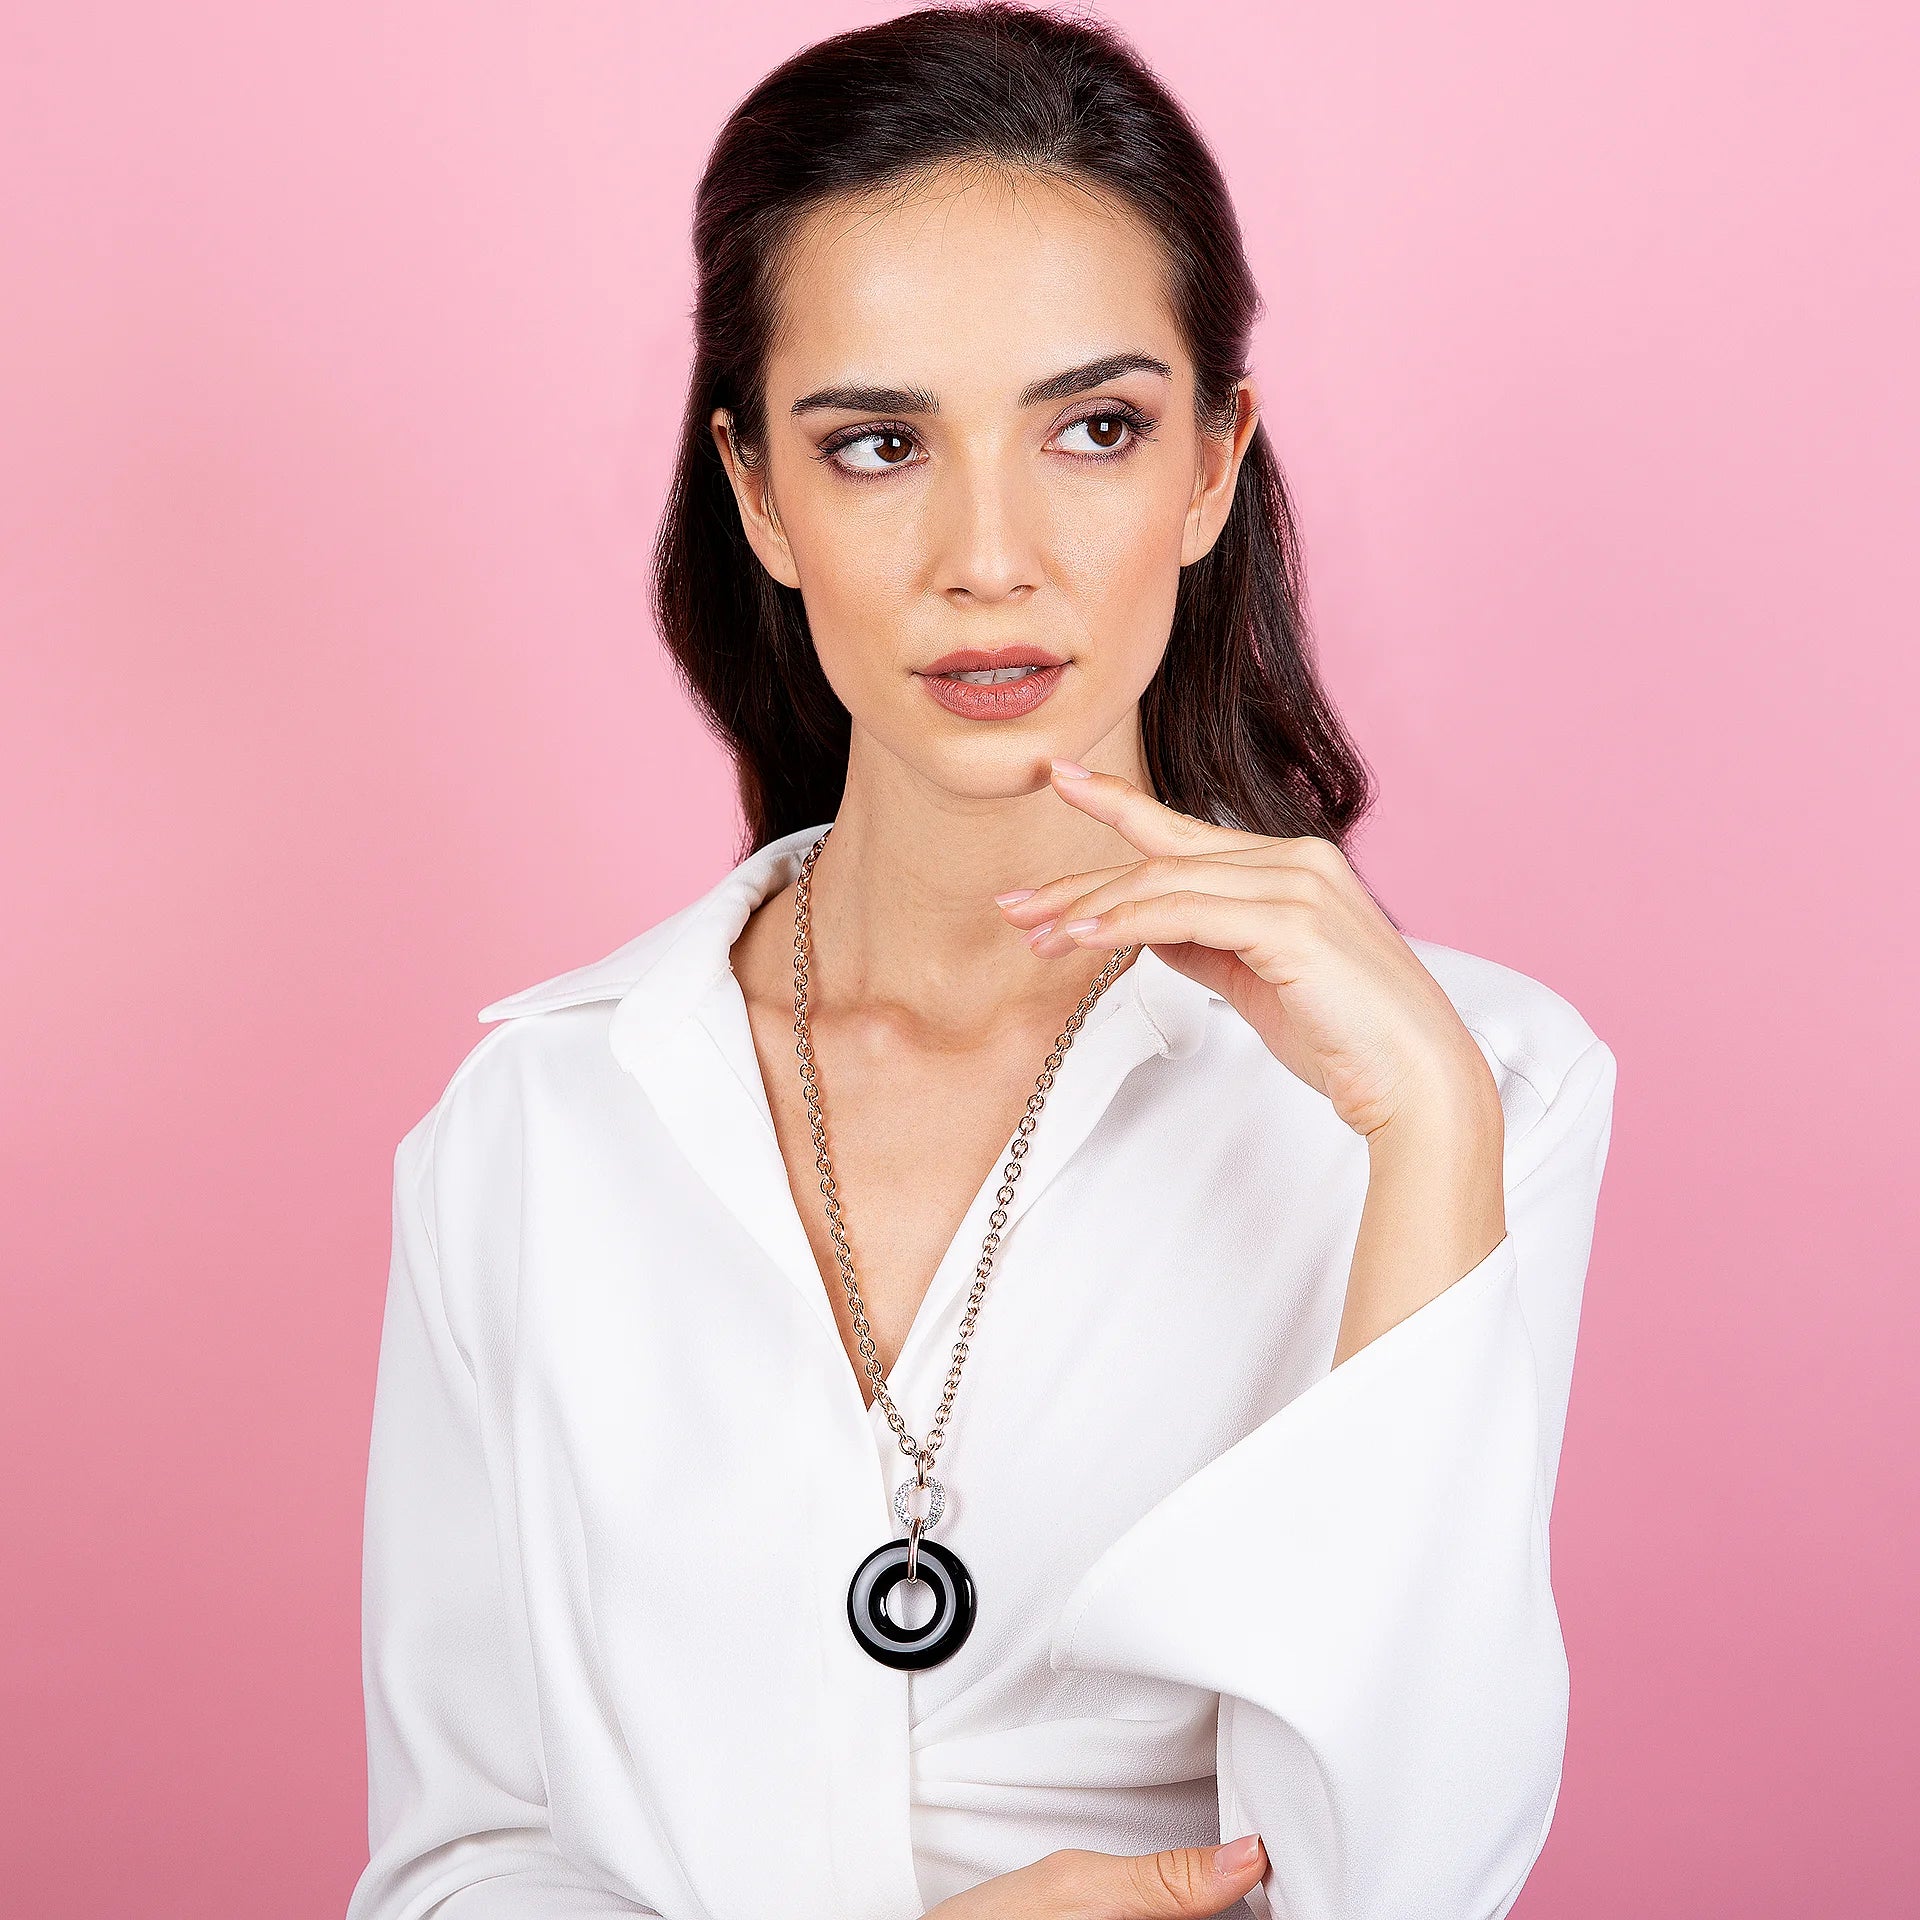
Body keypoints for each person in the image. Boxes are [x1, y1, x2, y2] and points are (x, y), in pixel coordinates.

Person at [343, 6, 1618, 1918]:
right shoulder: (535, 1124)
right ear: (759, 495)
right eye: (878, 445)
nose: (989, 556)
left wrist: (1427, 1133)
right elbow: (457, 1873)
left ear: (1213, 467)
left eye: (1094, 428)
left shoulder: (1483, 1085)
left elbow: (1405, 1877)